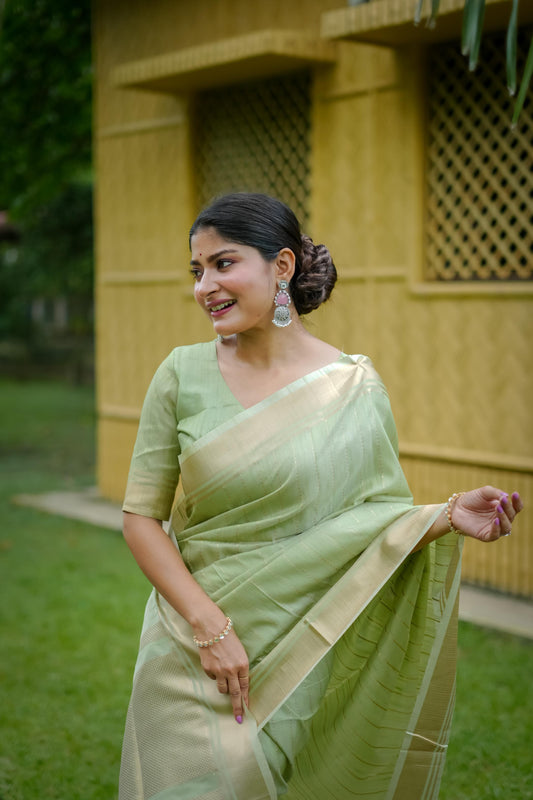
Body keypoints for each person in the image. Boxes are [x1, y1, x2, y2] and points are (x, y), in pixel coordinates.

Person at [119, 192, 523, 800]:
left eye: (223, 264)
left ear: (281, 267)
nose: (205, 286)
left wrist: (443, 516)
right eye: (197, 270)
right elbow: (140, 518)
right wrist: (209, 629)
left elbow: (370, 521)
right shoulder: (181, 374)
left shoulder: (353, 387)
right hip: (189, 646)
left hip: (303, 647)